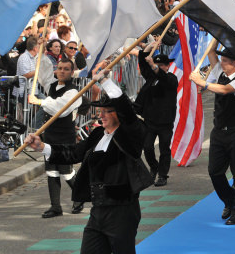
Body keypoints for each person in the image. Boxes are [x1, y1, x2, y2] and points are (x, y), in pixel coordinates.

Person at [24, 69, 149, 253]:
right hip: (98, 211)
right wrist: (42, 147)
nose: (102, 115)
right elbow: (73, 153)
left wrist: (105, 80)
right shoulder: (98, 134)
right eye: (101, 111)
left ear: (119, 115)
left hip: (122, 211)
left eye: (108, 111)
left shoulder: (131, 136)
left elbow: (126, 110)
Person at [189, 44, 235, 225]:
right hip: (219, 131)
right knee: (214, 172)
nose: (221, 63)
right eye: (222, 60)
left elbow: (225, 90)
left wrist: (201, 82)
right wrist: (215, 27)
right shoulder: (220, 71)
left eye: (226, 61)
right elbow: (211, 52)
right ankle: (230, 200)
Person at [28, 58, 84, 218]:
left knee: (66, 172)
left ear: (72, 72)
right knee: (51, 171)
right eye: (59, 68)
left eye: (66, 69)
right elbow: (44, 71)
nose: (62, 71)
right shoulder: (52, 85)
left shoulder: (74, 92)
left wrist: (40, 101)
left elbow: (61, 108)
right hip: (50, 135)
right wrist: (42, 50)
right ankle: (55, 206)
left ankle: (80, 197)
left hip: (65, 137)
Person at [137, 43, 178, 187]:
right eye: (157, 64)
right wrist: (149, 47)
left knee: (164, 149)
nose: (159, 67)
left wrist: (153, 65)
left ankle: (162, 175)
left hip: (165, 122)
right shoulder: (151, 77)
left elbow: (163, 78)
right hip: (150, 120)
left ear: (167, 66)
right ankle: (154, 167)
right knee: (147, 147)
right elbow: (142, 63)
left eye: (162, 65)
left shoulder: (171, 79)